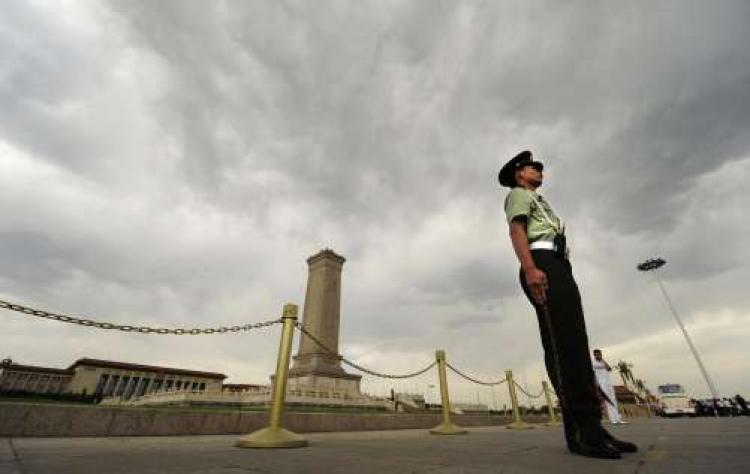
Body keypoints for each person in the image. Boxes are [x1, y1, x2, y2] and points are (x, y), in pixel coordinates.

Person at [499, 150, 637, 459]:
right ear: (520, 173)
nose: (539, 170)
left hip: (558, 263)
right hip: (541, 261)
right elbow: (516, 230)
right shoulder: (518, 195)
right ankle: (580, 434)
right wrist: (532, 268)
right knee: (563, 347)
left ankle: (593, 427)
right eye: (534, 167)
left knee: (576, 343)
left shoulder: (538, 199)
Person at [592, 349, 627, 424]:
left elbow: (609, 369)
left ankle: (617, 418)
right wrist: (596, 384)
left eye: (600, 354)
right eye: (597, 354)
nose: (599, 355)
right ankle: (613, 419)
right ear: (595, 355)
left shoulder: (603, 361)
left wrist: (603, 360)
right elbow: (593, 374)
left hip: (608, 382)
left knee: (613, 399)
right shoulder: (593, 363)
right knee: (608, 400)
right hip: (601, 383)